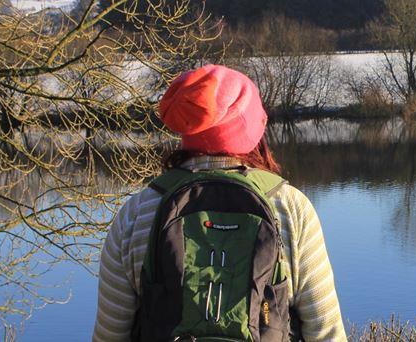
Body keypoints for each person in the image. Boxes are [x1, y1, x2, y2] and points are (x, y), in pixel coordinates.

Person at [93, 65, 346, 341]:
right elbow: (327, 333)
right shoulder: (292, 209)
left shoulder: (137, 214)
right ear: (253, 130)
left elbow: (109, 335)